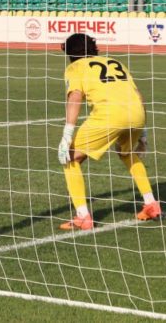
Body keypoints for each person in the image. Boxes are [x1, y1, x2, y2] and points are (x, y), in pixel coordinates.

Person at [56, 33, 160, 231]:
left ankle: (83, 217)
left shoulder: (75, 67)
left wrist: (67, 133)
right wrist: (143, 131)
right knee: (126, 153)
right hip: (137, 113)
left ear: (69, 52)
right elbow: (137, 94)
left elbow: (75, 96)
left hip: (110, 115)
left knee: (70, 158)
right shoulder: (115, 61)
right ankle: (151, 204)